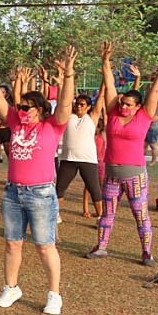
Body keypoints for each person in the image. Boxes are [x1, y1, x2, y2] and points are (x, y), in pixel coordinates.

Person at [0, 47, 76, 315]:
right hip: (13, 193)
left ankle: (54, 294)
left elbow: (66, 105)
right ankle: (11, 287)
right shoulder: (14, 122)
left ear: (40, 110)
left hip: (41, 194)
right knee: (13, 243)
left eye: (27, 107)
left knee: (45, 247)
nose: (21, 110)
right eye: (20, 106)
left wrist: (68, 74)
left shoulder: (51, 126)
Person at [87, 41, 158, 266]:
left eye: (128, 104)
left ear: (138, 106)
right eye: (122, 103)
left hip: (135, 176)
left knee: (140, 214)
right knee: (107, 214)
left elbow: (155, 89)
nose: (124, 106)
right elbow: (109, 85)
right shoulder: (114, 113)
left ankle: (147, 252)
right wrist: (105, 61)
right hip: (112, 175)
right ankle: (102, 247)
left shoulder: (143, 116)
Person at [56, 75, 106, 222]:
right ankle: (56, 215)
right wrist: (62, 84)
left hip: (88, 160)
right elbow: (63, 101)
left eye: (82, 104)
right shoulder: (69, 117)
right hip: (68, 159)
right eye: (77, 103)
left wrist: (104, 74)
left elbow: (102, 95)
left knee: (95, 189)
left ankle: (101, 218)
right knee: (59, 188)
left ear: (89, 106)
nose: (78, 106)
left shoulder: (93, 117)